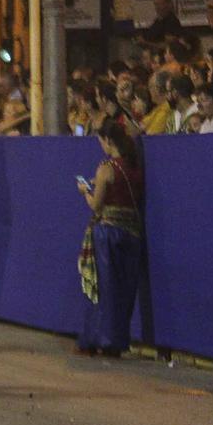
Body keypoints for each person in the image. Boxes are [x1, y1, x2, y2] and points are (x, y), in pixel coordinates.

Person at [75, 119, 146, 358]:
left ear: (108, 141)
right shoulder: (135, 166)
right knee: (124, 291)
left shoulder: (106, 167)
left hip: (108, 232)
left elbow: (96, 206)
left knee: (101, 290)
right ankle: (116, 341)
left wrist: (86, 190)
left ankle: (97, 338)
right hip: (132, 234)